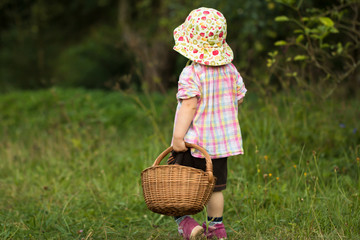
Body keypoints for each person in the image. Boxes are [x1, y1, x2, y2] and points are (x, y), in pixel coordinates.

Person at [168, 7, 247, 240]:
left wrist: (178, 138)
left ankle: (187, 223)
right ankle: (216, 229)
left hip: (195, 143)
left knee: (177, 185)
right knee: (216, 188)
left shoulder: (192, 73)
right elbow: (238, 97)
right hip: (220, 147)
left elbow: (189, 106)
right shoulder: (231, 71)